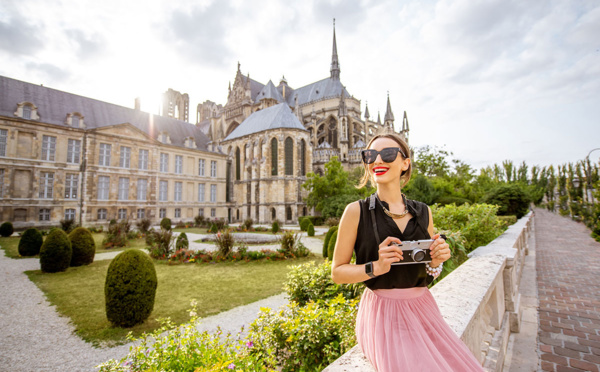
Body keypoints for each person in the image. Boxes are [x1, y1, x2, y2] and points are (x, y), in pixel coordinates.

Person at [331, 133, 483, 372]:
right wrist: (376, 267)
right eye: (370, 155)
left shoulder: (424, 212)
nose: (377, 161)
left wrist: (437, 260)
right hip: (382, 312)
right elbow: (337, 273)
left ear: (405, 163)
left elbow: (428, 273)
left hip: (423, 307)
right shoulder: (356, 211)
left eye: (388, 154)